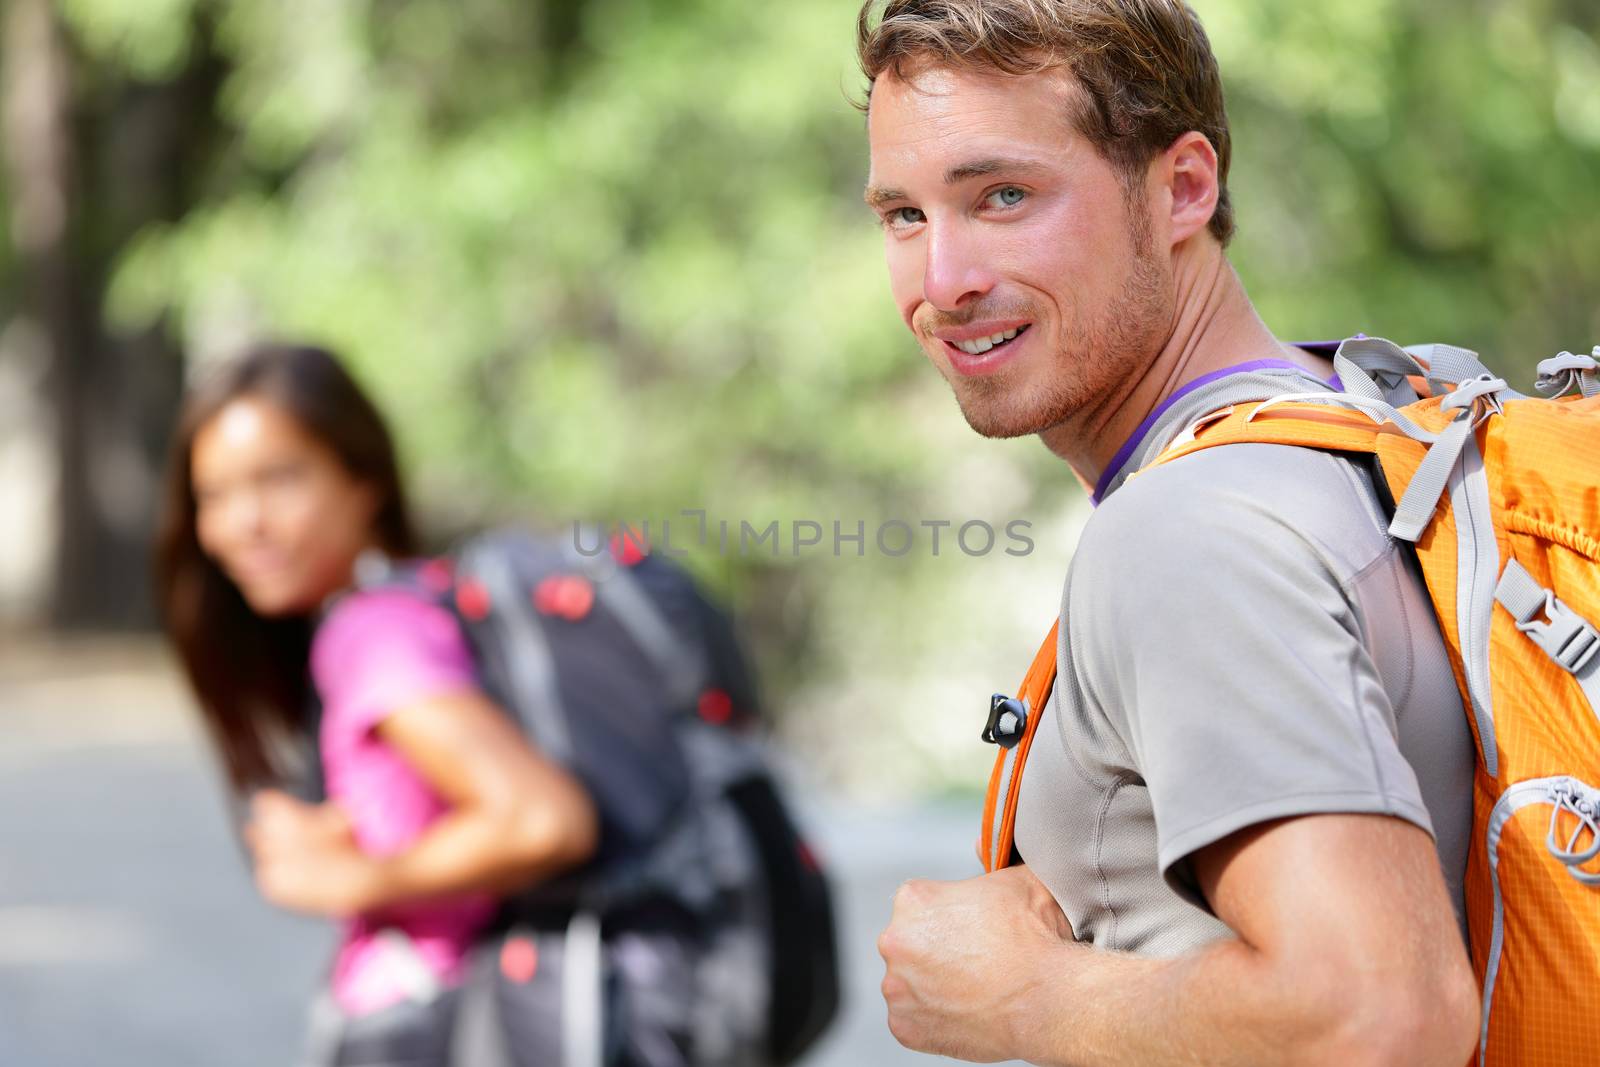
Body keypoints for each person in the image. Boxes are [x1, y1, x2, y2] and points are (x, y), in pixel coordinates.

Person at [857, 1, 1482, 1064]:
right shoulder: (1387, 419)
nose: (941, 281)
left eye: (1003, 196)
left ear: (1184, 187)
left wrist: (1025, 998)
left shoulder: (1195, 527)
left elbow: (1379, 1016)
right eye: (904, 216)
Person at [154, 343, 599, 1065]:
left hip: (437, 1025)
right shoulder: (408, 604)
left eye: (279, 479)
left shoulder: (374, 633)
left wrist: (365, 878)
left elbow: (542, 817)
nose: (245, 522)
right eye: (214, 495)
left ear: (365, 481)